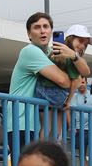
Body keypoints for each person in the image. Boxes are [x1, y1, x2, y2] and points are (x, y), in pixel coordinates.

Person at [6, 12, 76, 143]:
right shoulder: (30, 50)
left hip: (38, 125)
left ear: (51, 31)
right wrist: (73, 78)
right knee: (25, 164)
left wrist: (74, 57)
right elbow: (64, 81)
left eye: (46, 26)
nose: (42, 31)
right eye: (37, 27)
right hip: (23, 122)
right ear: (29, 34)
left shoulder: (52, 53)